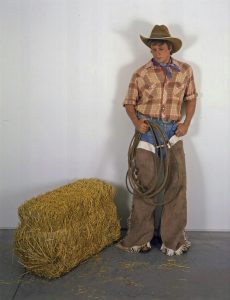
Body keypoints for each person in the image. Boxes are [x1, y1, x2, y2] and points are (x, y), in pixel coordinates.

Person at [117, 24, 197, 256]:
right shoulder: (140, 73)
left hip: (173, 132)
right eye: (154, 45)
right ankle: (139, 237)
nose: (158, 48)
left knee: (176, 184)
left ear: (170, 47)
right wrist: (136, 123)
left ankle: (173, 240)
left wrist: (186, 124)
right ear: (151, 48)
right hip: (148, 130)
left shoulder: (185, 70)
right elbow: (129, 102)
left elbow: (191, 99)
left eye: (162, 44)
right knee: (146, 185)